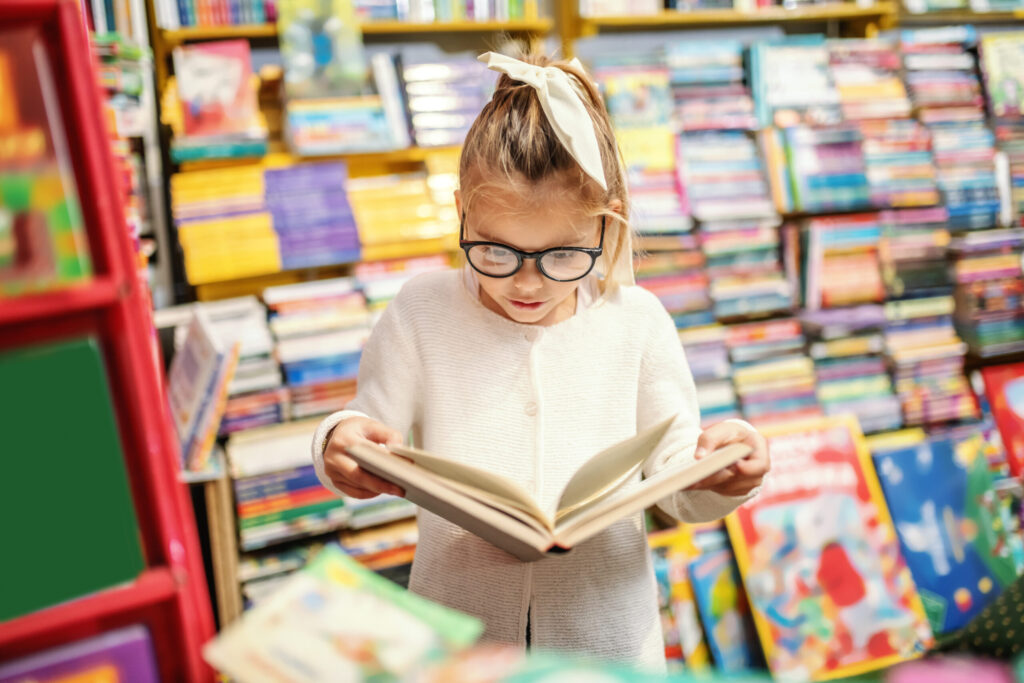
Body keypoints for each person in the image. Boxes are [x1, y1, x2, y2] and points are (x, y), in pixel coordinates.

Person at [311, 49, 770, 670]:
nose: (526, 284)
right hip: (461, 636)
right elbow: (365, 431)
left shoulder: (637, 321)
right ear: (461, 214)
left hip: (605, 637)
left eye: (560, 256)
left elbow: (679, 483)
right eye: (496, 252)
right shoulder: (422, 309)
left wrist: (724, 468)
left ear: (605, 231)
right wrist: (338, 443)